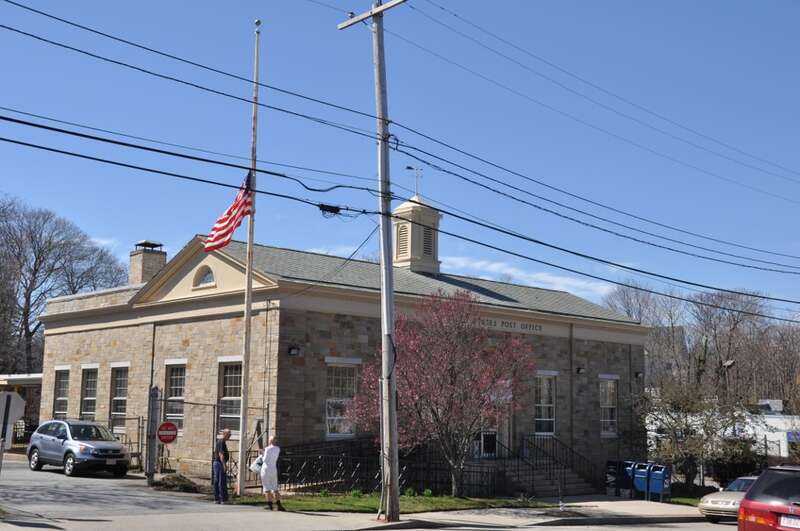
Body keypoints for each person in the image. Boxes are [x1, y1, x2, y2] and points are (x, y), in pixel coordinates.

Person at [260, 436, 284, 511]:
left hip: (266, 469)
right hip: (273, 469)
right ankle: (278, 504)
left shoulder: (267, 449)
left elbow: (264, 460)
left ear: (270, 441)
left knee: (267, 488)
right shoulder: (278, 449)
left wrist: (262, 453)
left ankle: (270, 505)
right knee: (275, 488)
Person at [213, 429, 231, 504]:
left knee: (217, 481)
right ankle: (223, 499)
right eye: (229, 434)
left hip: (217, 463)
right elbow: (221, 454)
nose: (230, 435)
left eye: (230, 434)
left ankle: (217, 499)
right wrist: (224, 465)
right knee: (221, 481)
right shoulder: (221, 442)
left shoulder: (221, 442)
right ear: (224, 434)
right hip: (219, 463)